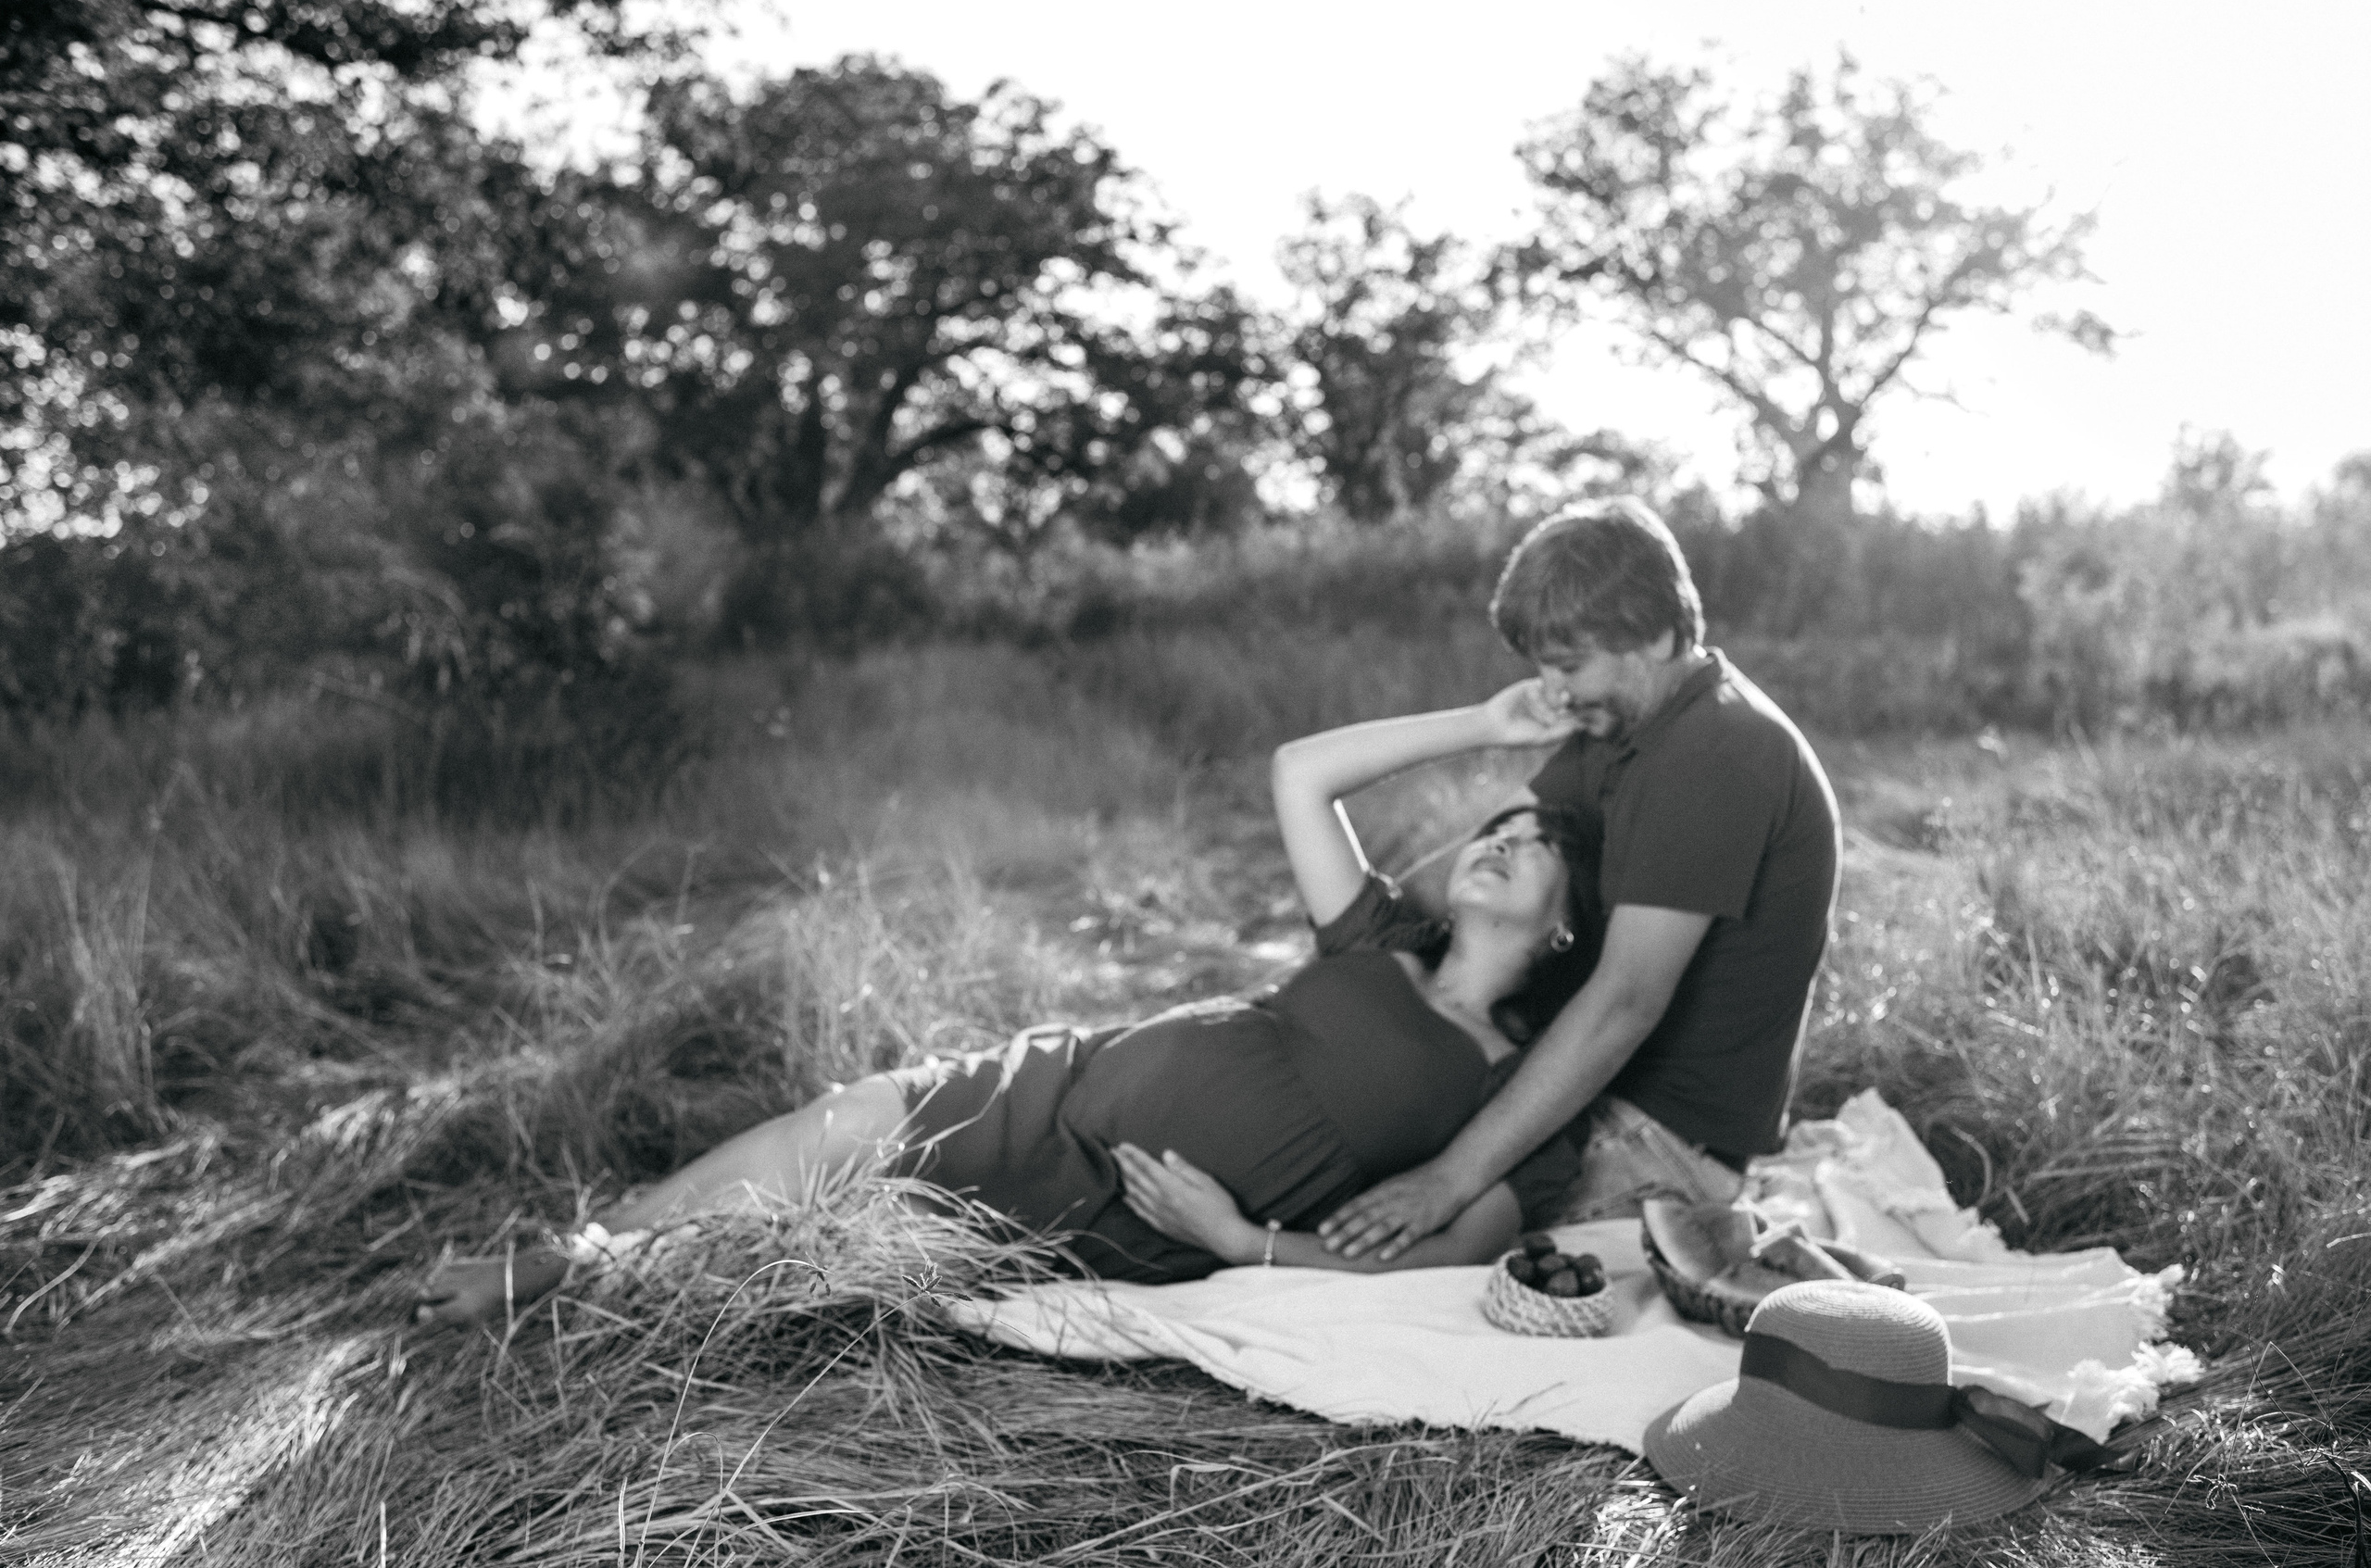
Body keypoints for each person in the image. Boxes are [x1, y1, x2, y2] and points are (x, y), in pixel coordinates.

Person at [416, 684, 1601, 1326]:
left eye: (1535, 841)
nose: (1500, 837)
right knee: (835, 1128)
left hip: (1133, 1216)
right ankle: (578, 1257)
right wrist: (1486, 725)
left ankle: (614, 1282)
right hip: (1054, 1086)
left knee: (815, 1256)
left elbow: (1450, 1256)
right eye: (1493, 822)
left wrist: (1244, 1244)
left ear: (1566, 927)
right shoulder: (1386, 932)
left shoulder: (1522, 1083)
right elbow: (1300, 770)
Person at [1320, 497, 1841, 1262]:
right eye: (1540, 666)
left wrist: (1448, 1178)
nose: (1553, 690)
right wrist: (1358, 956)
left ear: (1659, 634)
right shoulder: (1622, 725)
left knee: (1360, 1230)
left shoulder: (1719, 753)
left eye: (1570, 664)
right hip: (1576, 1086)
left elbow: (1625, 1003)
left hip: (1658, 1138)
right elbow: (1471, 870)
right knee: (1328, 1134)